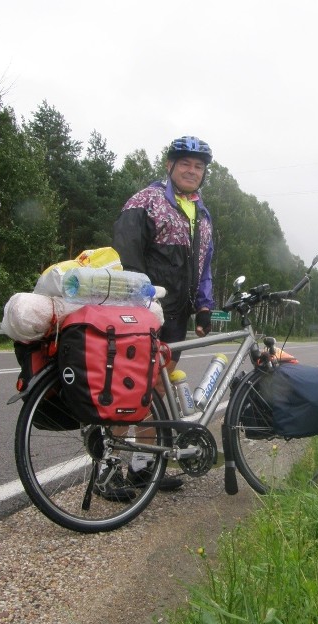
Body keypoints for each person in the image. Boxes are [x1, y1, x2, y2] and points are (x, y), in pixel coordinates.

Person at [100, 135, 216, 499]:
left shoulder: (204, 214)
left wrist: (204, 305)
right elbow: (126, 252)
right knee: (128, 389)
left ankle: (143, 467)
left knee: (154, 392)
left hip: (176, 318)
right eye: (185, 163)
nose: (191, 171)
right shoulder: (146, 201)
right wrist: (138, 300)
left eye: (198, 167)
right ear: (169, 165)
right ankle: (108, 470)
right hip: (142, 314)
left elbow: (204, 266)